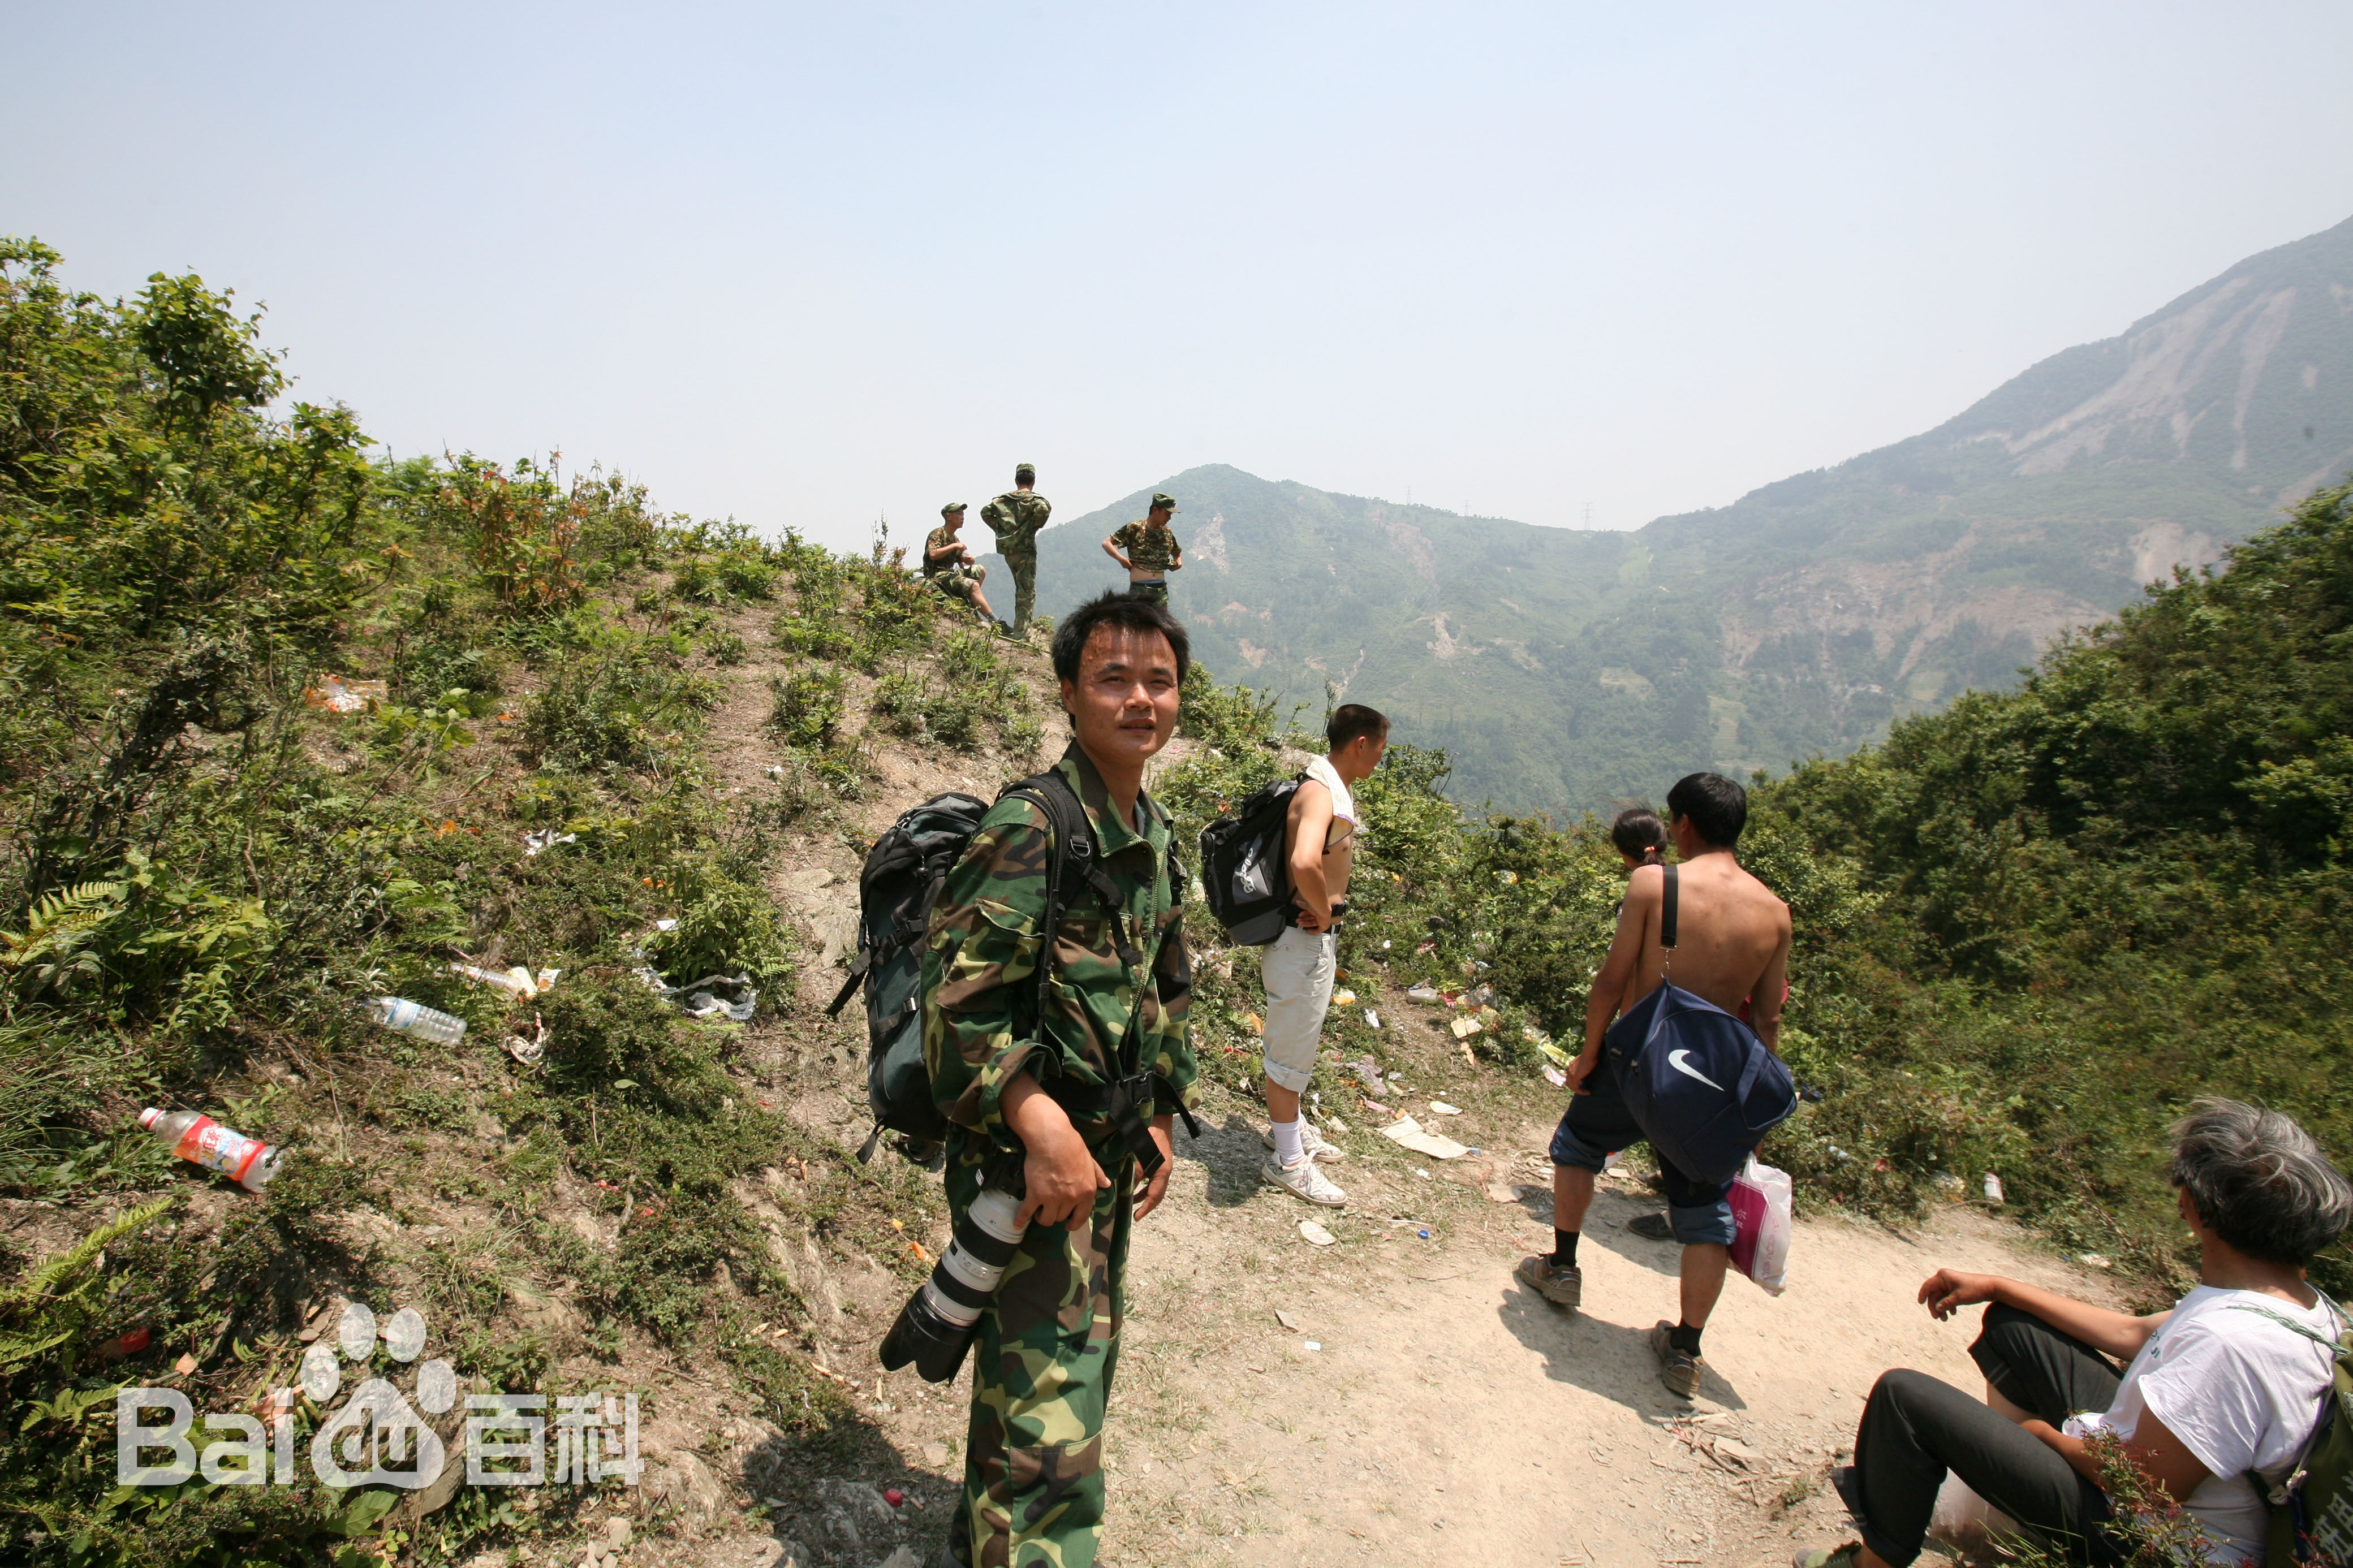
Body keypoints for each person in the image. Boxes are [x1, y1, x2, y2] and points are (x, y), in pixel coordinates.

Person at [921, 589, 1201, 1568]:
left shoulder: (1151, 831)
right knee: (1056, 1414)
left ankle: (977, 1544)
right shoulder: (1033, 826)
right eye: (1113, 678)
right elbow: (956, 1008)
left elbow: (1161, 986)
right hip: (1030, 1161)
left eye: (1159, 681)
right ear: (1071, 695)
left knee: (1042, 1375)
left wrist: (1161, 1109)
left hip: (1103, 1158)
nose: (1140, 699)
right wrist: (1042, 1127)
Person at [1794, 1099, 2352, 1568]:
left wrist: (2042, 1438)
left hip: (2155, 1543)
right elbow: (2135, 1333)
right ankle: (2012, 1511)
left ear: (2196, 1204)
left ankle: (1872, 1561)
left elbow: (2146, 1487)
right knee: (2014, 1329)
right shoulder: (2296, 1307)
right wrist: (1998, 1286)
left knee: (1903, 1398)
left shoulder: (2228, 1344)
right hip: (2171, 1483)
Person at [1516, 771, 1791, 1398]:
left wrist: (1588, 1053)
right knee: (1702, 1210)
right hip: (1713, 1083)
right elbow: (1767, 1017)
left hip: (1641, 1058)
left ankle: (1561, 1267)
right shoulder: (1774, 913)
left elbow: (1612, 980)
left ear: (1684, 824)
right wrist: (1745, 1108)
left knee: (1578, 1146)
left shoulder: (1654, 883)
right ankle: (1684, 1350)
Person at [1258, 704, 1389, 1208]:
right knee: (1291, 1051)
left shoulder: (1327, 782)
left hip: (1304, 938)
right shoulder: (1322, 792)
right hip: (1304, 938)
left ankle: (1287, 1130)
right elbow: (1304, 860)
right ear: (1361, 742)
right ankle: (1288, 1161)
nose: (1380, 757)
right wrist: (1326, 911)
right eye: (1379, 747)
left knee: (1296, 1040)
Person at [981, 461, 1051, 636]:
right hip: (1025, 550)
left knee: (1019, 586)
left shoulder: (1002, 500)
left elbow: (985, 512)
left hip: (1009, 549)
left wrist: (1003, 529)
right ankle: (1021, 631)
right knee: (1026, 590)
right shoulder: (1037, 501)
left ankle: (1021, 627)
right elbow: (1043, 511)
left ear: (1016, 480)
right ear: (1033, 481)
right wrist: (1030, 528)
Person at [1102, 493, 1184, 606]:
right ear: (1156, 510)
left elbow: (1177, 552)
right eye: (1167, 514)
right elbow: (1107, 543)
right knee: (1137, 623)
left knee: (1162, 624)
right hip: (1139, 590)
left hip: (1160, 590)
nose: (1169, 518)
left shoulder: (1167, 532)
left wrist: (1179, 563)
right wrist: (1122, 560)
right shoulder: (1135, 528)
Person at [923, 503, 997, 624]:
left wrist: (968, 561)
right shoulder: (937, 534)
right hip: (936, 575)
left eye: (963, 515)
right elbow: (933, 554)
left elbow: (962, 564)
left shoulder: (955, 538)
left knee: (980, 570)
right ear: (949, 517)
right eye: (959, 514)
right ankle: (994, 621)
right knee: (974, 585)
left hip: (949, 574)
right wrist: (954, 547)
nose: (962, 518)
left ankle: (973, 602)